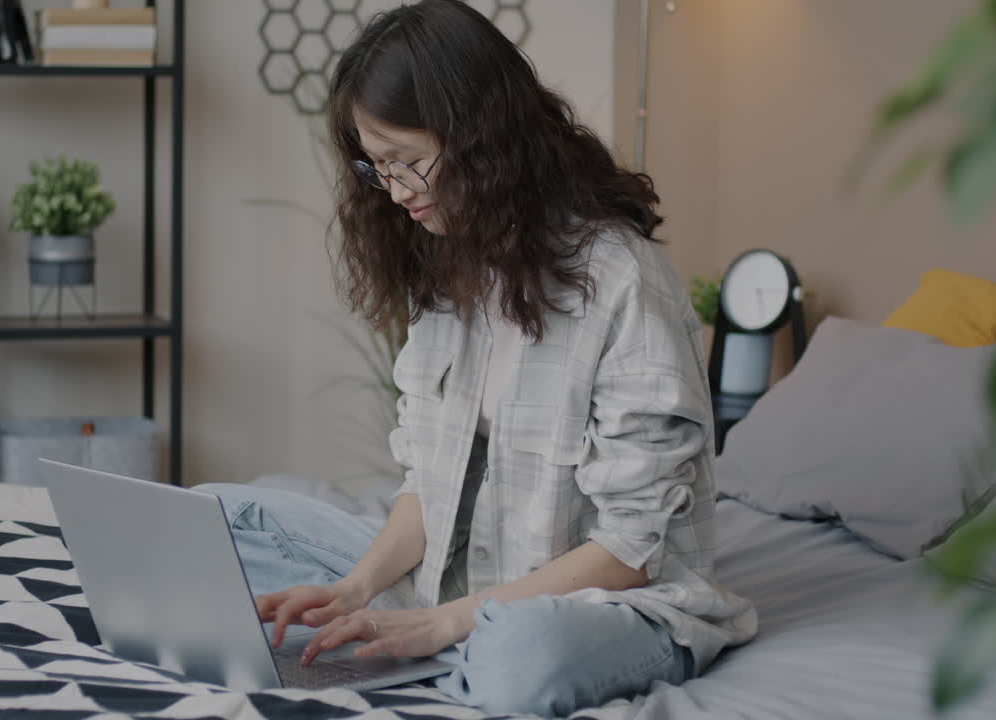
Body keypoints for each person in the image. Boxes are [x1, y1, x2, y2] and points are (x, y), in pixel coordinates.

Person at [201, 1, 757, 715]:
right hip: (464, 580)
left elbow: (630, 549)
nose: (397, 192)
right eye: (379, 169)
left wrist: (446, 622)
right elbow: (427, 485)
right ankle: (435, 630)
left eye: (407, 163)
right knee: (220, 513)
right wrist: (357, 586)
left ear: (479, 137)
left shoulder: (622, 278)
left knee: (516, 661)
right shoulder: (449, 265)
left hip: (613, 601)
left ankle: (457, 640)